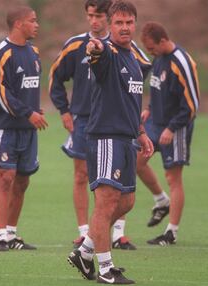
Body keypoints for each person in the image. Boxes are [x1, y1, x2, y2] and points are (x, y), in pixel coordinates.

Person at [49, 0, 151, 250]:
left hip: (125, 129)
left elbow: (136, 87)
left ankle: (103, 237)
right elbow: (62, 73)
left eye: (128, 22)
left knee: (124, 199)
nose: (94, 20)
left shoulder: (132, 54)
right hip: (89, 122)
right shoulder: (92, 48)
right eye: (90, 16)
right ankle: (87, 236)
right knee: (88, 181)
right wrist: (64, 110)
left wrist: (140, 129)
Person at [0, 6, 48, 251]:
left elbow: (28, 87)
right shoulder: (0, 52)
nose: (37, 25)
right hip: (6, 127)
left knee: (22, 181)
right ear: (19, 24)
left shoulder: (34, 52)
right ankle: (1, 236)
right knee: (5, 178)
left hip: (28, 129)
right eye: (33, 21)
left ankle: (12, 234)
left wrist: (35, 109)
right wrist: (27, 112)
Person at [137, 22, 200, 246]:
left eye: (152, 48)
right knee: (136, 161)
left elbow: (192, 105)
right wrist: (148, 109)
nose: (150, 52)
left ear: (163, 41)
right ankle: (161, 200)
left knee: (173, 178)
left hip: (177, 126)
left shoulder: (182, 62)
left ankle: (171, 232)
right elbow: (156, 88)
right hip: (155, 123)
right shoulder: (159, 58)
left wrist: (172, 129)